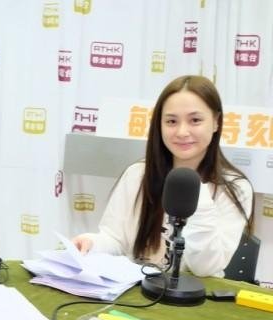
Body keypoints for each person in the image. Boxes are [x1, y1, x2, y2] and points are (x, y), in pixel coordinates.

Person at [72, 75, 253, 278]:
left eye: (195, 120)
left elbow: (205, 268)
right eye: (171, 121)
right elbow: (115, 239)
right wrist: (92, 243)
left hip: (196, 294)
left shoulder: (235, 188)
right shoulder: (137, 175)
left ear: (216, 122)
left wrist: (198, 197)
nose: (182, 132)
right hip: (138, 289)